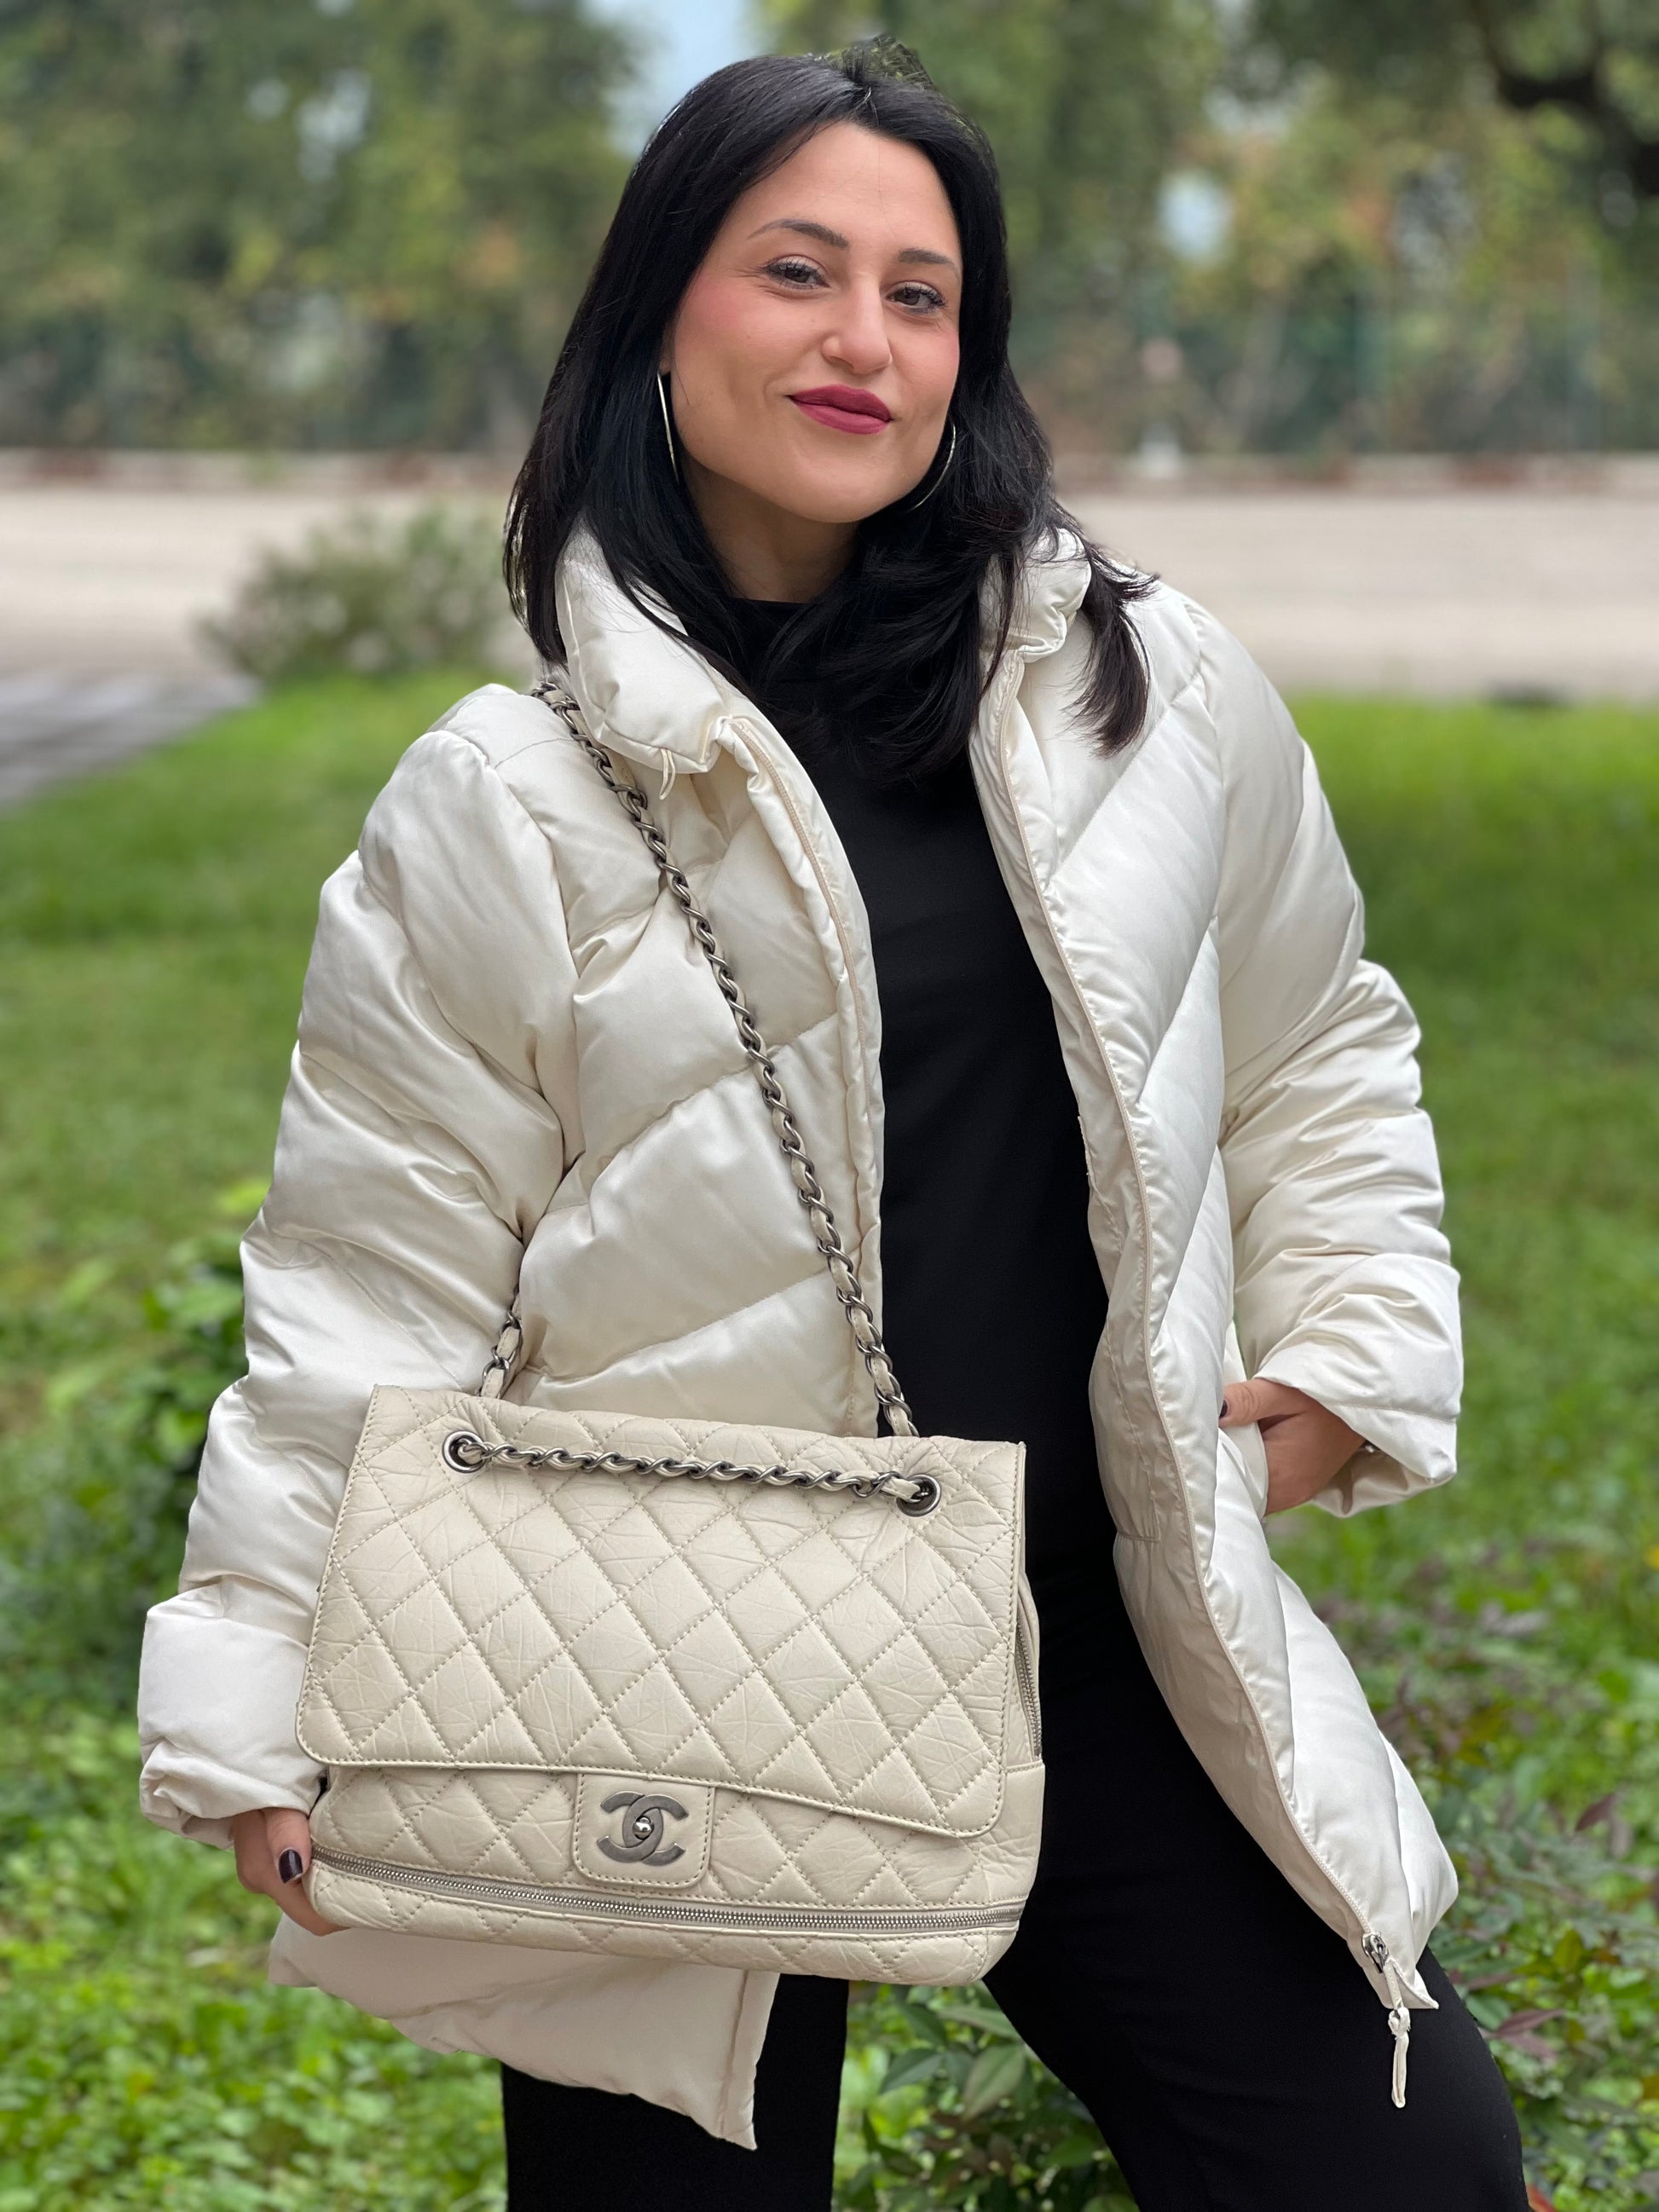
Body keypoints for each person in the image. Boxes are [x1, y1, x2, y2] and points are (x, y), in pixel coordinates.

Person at [137, 41, 1530, 2212]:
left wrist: (1350, 1360)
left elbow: (1318, 1039)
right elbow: (371, 1267)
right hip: (646, 1649)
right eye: (796, 271)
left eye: (921, 292)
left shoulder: (1143, 696)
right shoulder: (503, 797)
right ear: (656, 316)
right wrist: (251, 1697)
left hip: (1093, 1619)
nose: (863, 339)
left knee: (1405, 2171)